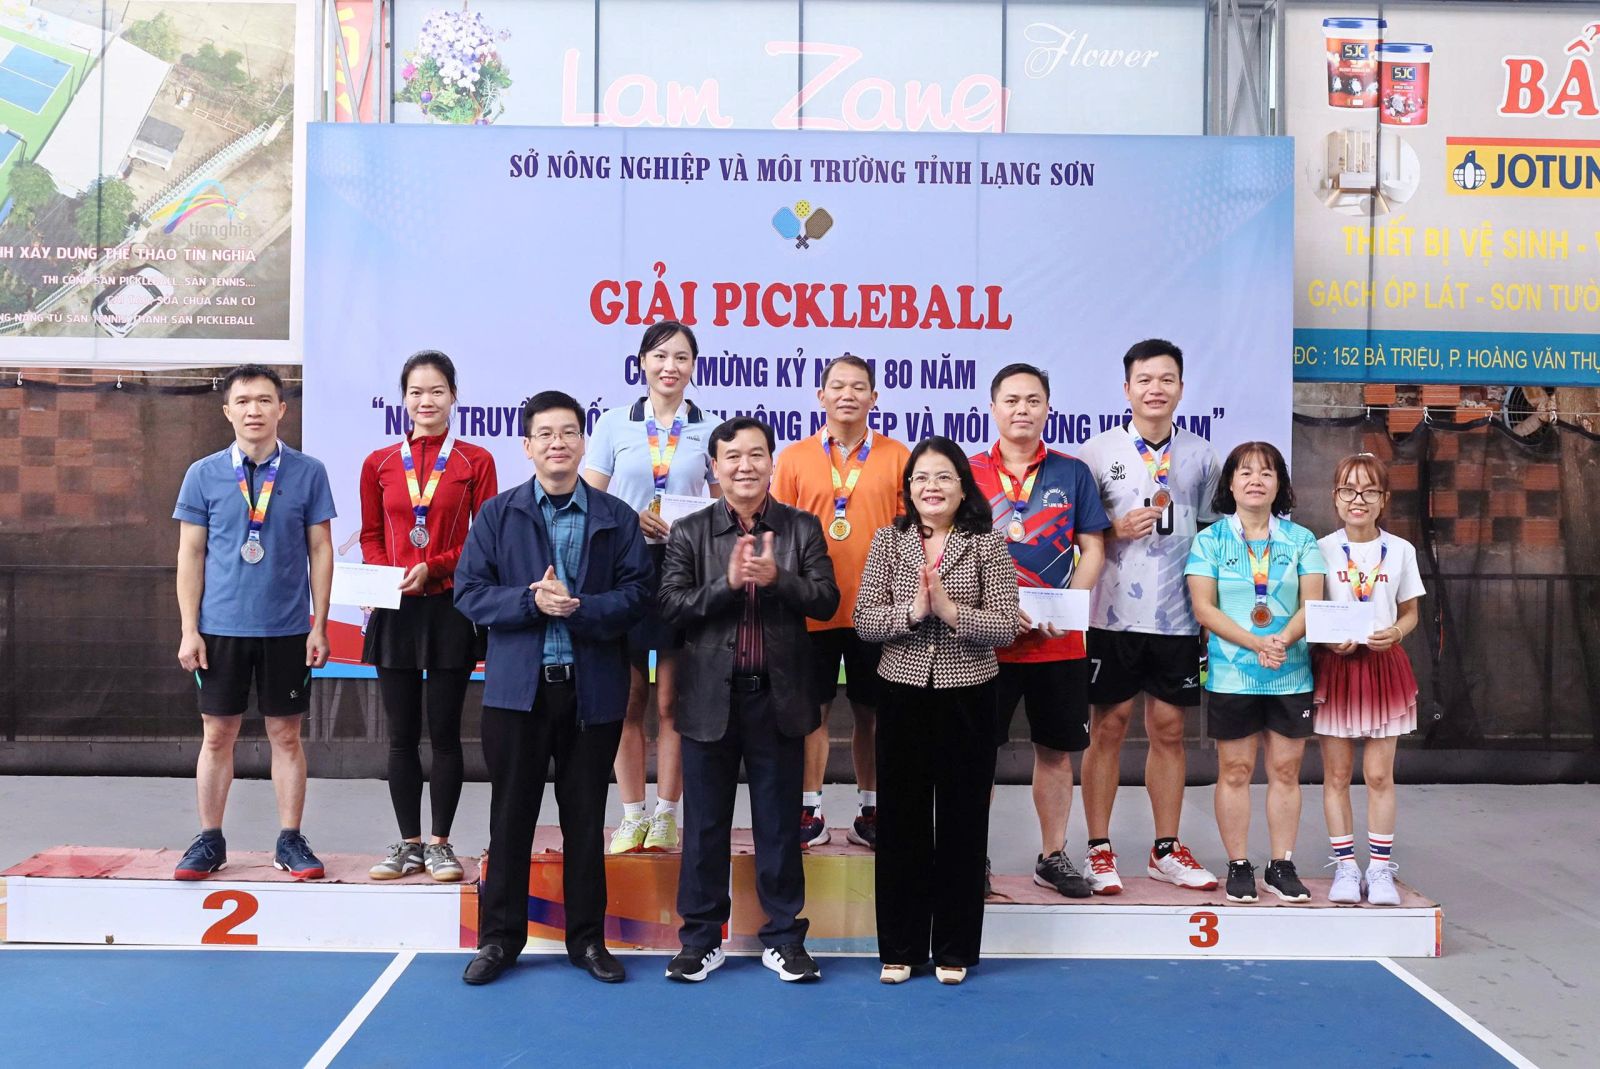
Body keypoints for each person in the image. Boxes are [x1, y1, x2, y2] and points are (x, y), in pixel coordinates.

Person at [453, 390, 652, 986]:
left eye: (568, 432)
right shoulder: (499, 514)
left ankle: (587, 941)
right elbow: (469, 593)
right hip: (518, 693)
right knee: (509, 819)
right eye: (545, 434)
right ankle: (499, 939)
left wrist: (580, 607)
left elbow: (638, 595)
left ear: (583, 442)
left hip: (591, 692)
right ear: (527, 446)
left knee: (585, 821)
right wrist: (529, 601)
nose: (557, 443)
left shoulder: (615, 517)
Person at [658, 418, 839, 984]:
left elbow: (827, 600)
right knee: (704, 827)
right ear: (715, 466)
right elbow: (670, 606)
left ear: (771, 463)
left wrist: (778, 577)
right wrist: (728, 585)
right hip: (709, 699)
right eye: (732, 456)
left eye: (756, 455)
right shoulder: (689, 531)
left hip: (777, 699)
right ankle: (700, 939)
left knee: (779, 827)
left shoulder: (801, 527)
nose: (745, 466)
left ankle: (784, 939)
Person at [855, 437, 1019, 985]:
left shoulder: (987, 544)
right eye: (921, 477)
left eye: (944, 477)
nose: (932, 487)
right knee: (900, 822)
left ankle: (954, 948)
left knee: (962, 822)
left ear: (963, 488)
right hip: (901, 692)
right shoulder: (888, 541)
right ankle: (899, 948)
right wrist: (912, 610)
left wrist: (950, 611)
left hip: (968, 694)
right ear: (908, 488)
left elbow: (1005, 626)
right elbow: (865, 621)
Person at [172, 364, 335, 881]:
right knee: (217, 734)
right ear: (227, 411)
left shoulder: (309, 472)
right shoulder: (202, 474)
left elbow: (320, 549)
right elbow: (190, 554)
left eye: (264, 400)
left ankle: (290, 839)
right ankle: (209, 840)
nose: (254, 410)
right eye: (243, 401)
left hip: (287, 629)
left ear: (281, 409)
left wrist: (320, 624)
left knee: (286, 735)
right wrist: (189, 629)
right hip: (219, 629)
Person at [1078, 340, 1223, 894]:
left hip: (1178, 616)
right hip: (1110, 614)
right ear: (1127, 389)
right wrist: (1112, 529)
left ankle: (1166, 848)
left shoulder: (1203, 457)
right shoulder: (1096, 453)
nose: (1155, 389)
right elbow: (1077, 533)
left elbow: (1214, 538)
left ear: (1181, 388)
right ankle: (1098, 848)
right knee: (1108, 727)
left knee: (1169, 729)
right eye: (1144, 379)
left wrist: (1210, 610)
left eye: (1166, 379)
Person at [971, 363, 1109, 899]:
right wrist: (989, 607)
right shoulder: (967, 472)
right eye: (1011, 400)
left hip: (1057, 642)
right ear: (993, 407)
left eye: (1033, 400)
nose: (1022, 409)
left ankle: (1052, 856)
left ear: (1048, 407)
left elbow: (1093, 547)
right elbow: (950, 548)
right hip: (984, 643)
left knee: (1056, 751)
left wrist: (1069, 603)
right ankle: (971, 857)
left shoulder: (1072, 473)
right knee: (976, 754)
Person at [359, 350, 498, 882]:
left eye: (436, 390)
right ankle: (408, 843)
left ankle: (440, 844)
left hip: (449, 608)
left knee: (443, 734)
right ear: (403, 398)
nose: (426, 401)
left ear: (453, 396)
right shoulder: (378, 463)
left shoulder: (474, 461)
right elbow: (371, 534)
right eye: (416, 392)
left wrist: (433, 567)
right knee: (400, 735)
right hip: (396, 607)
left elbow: (483, 539)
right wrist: (386, 574)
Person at [585, 321, 718, 856]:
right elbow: (590, 500)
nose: (670, 366)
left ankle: (666, 815)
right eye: (660, 356)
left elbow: (725, 508)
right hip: (627, 569)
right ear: (642, 361)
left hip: (685, 570)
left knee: (673, 703)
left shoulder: (710, 428)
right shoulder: (614, 423)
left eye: (681, 357)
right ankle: (632, 814)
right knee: (627, 700)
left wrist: (690, 525)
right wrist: (630, 518)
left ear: (693, 366)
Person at [772, 354, 910, 849]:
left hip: (878, 610)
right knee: (813, 712)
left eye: (858, 387)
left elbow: (910, 532)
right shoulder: (793, 458)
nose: (847, 394)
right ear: (821, 396)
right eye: (837, 386)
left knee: (873, 713)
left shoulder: (899, 456)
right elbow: (779, 531)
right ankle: (808, 809)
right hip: (811, 608)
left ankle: (872, 809)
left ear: (874, 397)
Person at [1185, 442, 1326, 904]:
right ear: (1230, 483)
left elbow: (1312, 603)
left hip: (1290, 672)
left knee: (1285, 770)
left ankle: (1281, 864)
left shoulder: (1301, 540)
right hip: (1233, 675)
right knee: (1235, 770)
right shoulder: (1210, 541)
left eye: (1266, 473)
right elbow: (1204, 609)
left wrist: (1280, 641)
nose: (1255, 481)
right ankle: (1239, 864)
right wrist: (1256, 643)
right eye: (1245, 472)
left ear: (1279, 484)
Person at [1313, 453, 1423, 906]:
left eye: (1369, 491)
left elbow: (1410, 611)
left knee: (1379, 775)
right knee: (1337, 774)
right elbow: (1308, 608)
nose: (1358, 499)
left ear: (1384, 499)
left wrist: (1395, 632)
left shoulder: (1401, 550)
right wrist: (1326, 640)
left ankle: (1379, 870)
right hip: (1336, 667)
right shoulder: (1319, 548)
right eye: (1348, 490)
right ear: (1335, 497)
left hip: (1383, 666)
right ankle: (1345, 867)